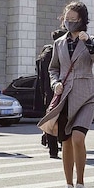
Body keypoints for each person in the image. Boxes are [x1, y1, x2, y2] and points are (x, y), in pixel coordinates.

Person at [38, 1, 94, 188]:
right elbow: (53, 69)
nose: (69, 23)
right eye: (66, 19)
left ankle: (80, 186)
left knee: (78, 138)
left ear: (82, 21)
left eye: (73, 20)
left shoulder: (93, 40)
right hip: (65, 95)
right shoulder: (59, 43)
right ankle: (68, 187)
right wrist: (55, 82)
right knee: (65, 142)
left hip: (86, 95)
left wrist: (90, 46)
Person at [36, 30, 65, 159]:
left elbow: (40, 77)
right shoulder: (62, 52)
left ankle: (52, 150)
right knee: (64, 119)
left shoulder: (44, 56)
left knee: (51, 119)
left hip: (48, 92)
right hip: (62, 90)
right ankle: (64, 145)